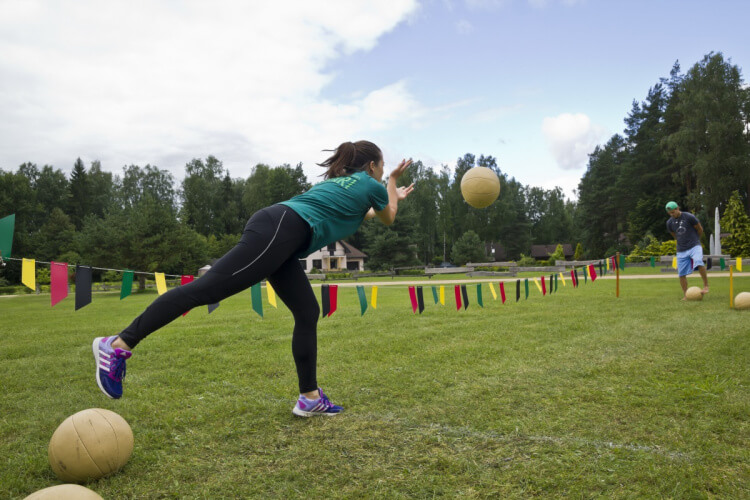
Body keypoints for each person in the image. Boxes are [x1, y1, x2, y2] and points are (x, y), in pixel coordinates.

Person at [92, 141, 414, 416]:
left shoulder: (350, 189)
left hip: (282, 233)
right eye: (383, 168)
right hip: (282, 230)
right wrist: (393, 185)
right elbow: (388, 217)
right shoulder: (371, 185)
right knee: (206, 290)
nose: (384, 173)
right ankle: (117, 345)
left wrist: (391, 193)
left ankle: (309, 398)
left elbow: (372, 212)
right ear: (371, 166)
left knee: (307, 311)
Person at [665, 201, 709, 299]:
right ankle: (686, 295)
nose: (672, 215)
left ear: (677, 209)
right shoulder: (669, 223)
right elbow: (674, 235)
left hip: (694, 246)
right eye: (670, 213)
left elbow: (700, 229)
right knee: (681, 273)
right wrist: (682, 242)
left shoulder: (689, 217)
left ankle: (706, 286)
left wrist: (696, 240)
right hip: (681, 249)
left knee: (698, 262)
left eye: (673, 212)